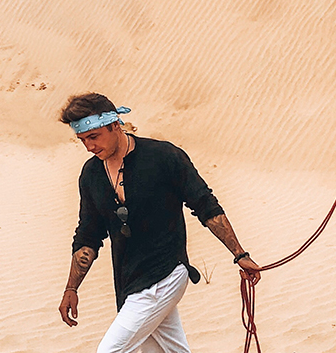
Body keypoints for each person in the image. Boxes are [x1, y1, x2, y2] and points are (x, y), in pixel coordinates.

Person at [56, 92, 262, 352]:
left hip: (167, 272)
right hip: (129, 280)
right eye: (82, 140)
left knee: (110, 350)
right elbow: (88, 234)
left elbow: (205, 205)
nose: (89, 146)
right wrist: (71, 288)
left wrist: (239, 254)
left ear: (115, 125)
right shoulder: (91, 174)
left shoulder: (164, 157)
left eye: (94, 136)